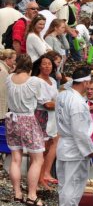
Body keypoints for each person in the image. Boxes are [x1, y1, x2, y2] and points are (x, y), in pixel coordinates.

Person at [55, 66, 93, 206]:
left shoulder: (63, 95)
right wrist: (89, 149)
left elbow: (66, 85)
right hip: (74, 147)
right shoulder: (78, 103)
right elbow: (79, 131)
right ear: (85, 83)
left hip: (64, 143)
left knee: (64, 183)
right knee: (73, 184)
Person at [5, 54, 48, 206]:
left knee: (16, 158)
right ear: (30, 68)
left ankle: (17, 193)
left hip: (12, 119)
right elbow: (43, 100)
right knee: (37, 159)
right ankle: (31, 195)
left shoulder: (9, 78)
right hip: (28, 120)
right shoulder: (34, 81)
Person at [31, 54, 58, 189]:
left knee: (47, 149)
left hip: (52, 118)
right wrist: (60, 104)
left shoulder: (52, 80)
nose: (47, 66)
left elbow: (54, 101)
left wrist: (56, 103)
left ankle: (41, 178)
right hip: (41, 116)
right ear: (39, 66)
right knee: (38, 152)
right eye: (44, 64)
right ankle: (34, 181)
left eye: (49, 64)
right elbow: (46, 104)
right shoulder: (36, 81)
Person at [0, 49, 16, 120]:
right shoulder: (3, 71)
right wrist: (2, 114)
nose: (14, 62)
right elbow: (2, 94)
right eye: (13, 60)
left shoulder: (3, 69)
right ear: (7, 59)